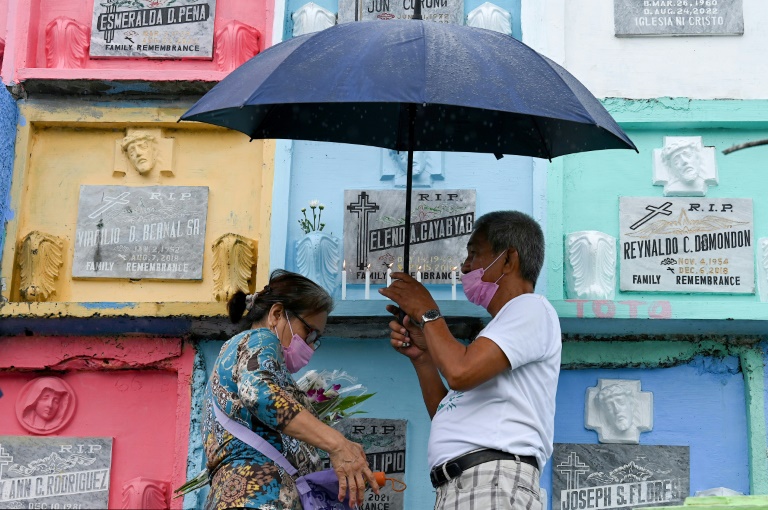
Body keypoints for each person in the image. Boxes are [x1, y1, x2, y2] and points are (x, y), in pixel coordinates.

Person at [380, 211, 561, 510]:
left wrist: (428, 313)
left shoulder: (531, 309)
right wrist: (423, 358)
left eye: (474, 253)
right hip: (465, 485)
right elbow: (448, 412)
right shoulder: (499, 330)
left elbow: (459, 372)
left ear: (508, 260)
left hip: (492, 481)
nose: (465, 266)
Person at [202, 269, 379, 510]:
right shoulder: (260, 338)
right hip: (255, 499)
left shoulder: (240, 354)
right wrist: (338, 444)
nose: (309, 344)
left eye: (316, 338)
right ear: (276, 314)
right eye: (309, 331)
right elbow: (260, 394)